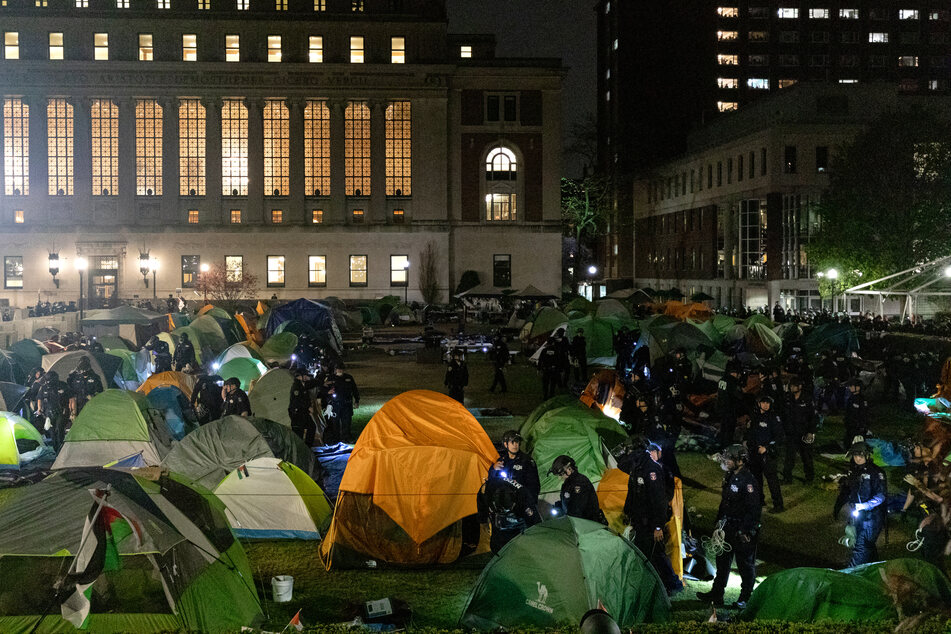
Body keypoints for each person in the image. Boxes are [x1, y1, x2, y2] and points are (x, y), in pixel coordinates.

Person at [696, 444, 761, 610]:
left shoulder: (749, 481)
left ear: (740, 461)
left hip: (742, 531)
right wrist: (719, 522)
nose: (725, 461)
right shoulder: (730, 475)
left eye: (729, 458)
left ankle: (745, 599)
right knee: (722, 563)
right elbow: (725, 502)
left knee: (745, 566)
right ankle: (717, 594)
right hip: (727, 527)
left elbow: (754, 509)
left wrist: (744, 531)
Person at [624, 438, 682, 594]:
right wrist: (627, 511)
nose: (628, 454)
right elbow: (632, 493)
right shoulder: (637, 467)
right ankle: (655, 584)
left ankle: (673, 584)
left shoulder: (652, 470)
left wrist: (658, 526)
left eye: (631, 450)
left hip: (651, 522)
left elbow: (659, 501)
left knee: (657, 554)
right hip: (640, 521)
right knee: (646, 554)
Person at [833, 441, 886, 566]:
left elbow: (881, 495)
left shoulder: (876, 473)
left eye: (860, 456)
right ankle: (876, 568)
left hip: (872, 517)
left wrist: (864, 506)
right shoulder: (853, 471)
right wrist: (837, 507)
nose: (857, 458)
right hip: (857, 514)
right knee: (868, 546)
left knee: (861, 547)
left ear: (867, 455)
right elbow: (847, 491)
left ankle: (850, 574)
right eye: (855, 455)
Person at [477, 475, 541, 554]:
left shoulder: (523, 496)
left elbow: (536, 523)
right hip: (498, 525)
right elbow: (482, 515)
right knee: (498, 546)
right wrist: (484, 522)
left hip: (518, 526)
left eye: (506, 509)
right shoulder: (485, 491)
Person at [746, 394, 785, 513]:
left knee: (772, 480)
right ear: (759, 404)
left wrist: (767, 448)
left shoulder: (774, 417)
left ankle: (778, 505)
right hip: (755, 453)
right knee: (756, 479)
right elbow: (751, 434)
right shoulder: (755, 416)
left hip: (767, 454)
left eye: (767, 403)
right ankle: (759, 500)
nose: (765, 405)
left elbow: (780, 437)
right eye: (763, 402)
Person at [550, 455, 605, 524]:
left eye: (561, 475)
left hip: (588, 524)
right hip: (579, 522)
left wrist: (567, 520)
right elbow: (569, 500)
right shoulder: (568, 483)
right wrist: (559, 506)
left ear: (569, 470)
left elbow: (577, 509)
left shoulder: (580, 483)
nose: (559, 478)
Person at [488, 430, 540, 500]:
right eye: (512, 442)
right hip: (505, 502)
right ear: (505, 444)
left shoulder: (527, 461)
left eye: (517, 442)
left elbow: (534, 487)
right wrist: (493, 469)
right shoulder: (501, 461)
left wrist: (529, 505)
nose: (515, 444)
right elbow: (492, 482)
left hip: (522, 502)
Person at [782, 378, 816, 483]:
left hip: (804, 433)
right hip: (791, 433)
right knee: (789, 457)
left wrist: (811, 432)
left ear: (799, 387)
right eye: (791, 386)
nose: (791, 388)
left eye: (794, 386)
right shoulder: (787, 398)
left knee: (806, 456)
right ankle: (787, 478)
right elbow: (784, 415)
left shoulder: (807, 399)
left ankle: (809, 478)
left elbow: (813, 417)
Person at [36, 370, 73, 451]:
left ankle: (61, 448)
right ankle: (56, 448)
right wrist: (39, 408)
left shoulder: (63, 385)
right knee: (52, 432)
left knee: (59, 429)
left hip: (61, 411)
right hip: (48, 413)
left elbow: (71, 398)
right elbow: (39, 398)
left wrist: (72, 410)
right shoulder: (44, 387)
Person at [325, 363, 359, 444]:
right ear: (335, 370)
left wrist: (357, 400)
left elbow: (354, 389)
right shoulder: (330, 378)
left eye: (341, 369)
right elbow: (323, 389)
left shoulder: (349, 378)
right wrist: (328, 395)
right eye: (338, 369)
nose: (340, 370)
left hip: (346, 404)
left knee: (346, 421)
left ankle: (346, 437)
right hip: (335, 404)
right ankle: (336, 438)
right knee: (335, 422)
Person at [289, 369, 320, 447]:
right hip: (297, 414)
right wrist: (308, 408)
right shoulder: (296, 387)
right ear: (300, 377)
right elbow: (297, 402)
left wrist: (311, 379)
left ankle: (307, 446)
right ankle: (301, 449)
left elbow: (314, 383)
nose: (306, 377)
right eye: (305, 376)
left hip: (304, 412)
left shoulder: (304, 385)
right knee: (299, 433)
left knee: (312, 427)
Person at [716, 361, 744, 448]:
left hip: (721, 408)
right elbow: (739, 396)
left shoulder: (722, 379)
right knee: (729, 430)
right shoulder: (733, 382)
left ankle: (721, 446)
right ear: (736, 373)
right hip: (730, 409)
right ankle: (727, 448)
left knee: (723, 428)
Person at [843, 380, 871, 449]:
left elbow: (863, 414)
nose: (850, 388)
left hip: (857, 427)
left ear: (858, 388)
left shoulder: (861, 400)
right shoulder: (851, 398)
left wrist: (862, 426)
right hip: (850, 426)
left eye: (851, 386)